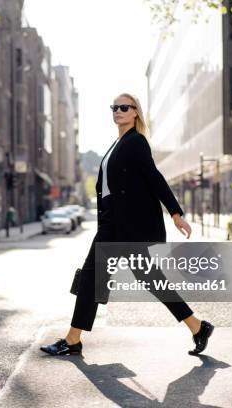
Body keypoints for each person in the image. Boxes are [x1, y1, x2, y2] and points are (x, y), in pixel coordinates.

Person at [40, 93, 214, 356]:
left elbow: (154, 178)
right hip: (113, 223)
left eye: (124, 107)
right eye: (115, 107)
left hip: (127, 226)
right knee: (122, 279)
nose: (118, 111)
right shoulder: (117, 144)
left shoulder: (136, 142)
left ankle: (73, 339)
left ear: (135, 113)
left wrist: (175, 212)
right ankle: (197, 326)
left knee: (100, 278)